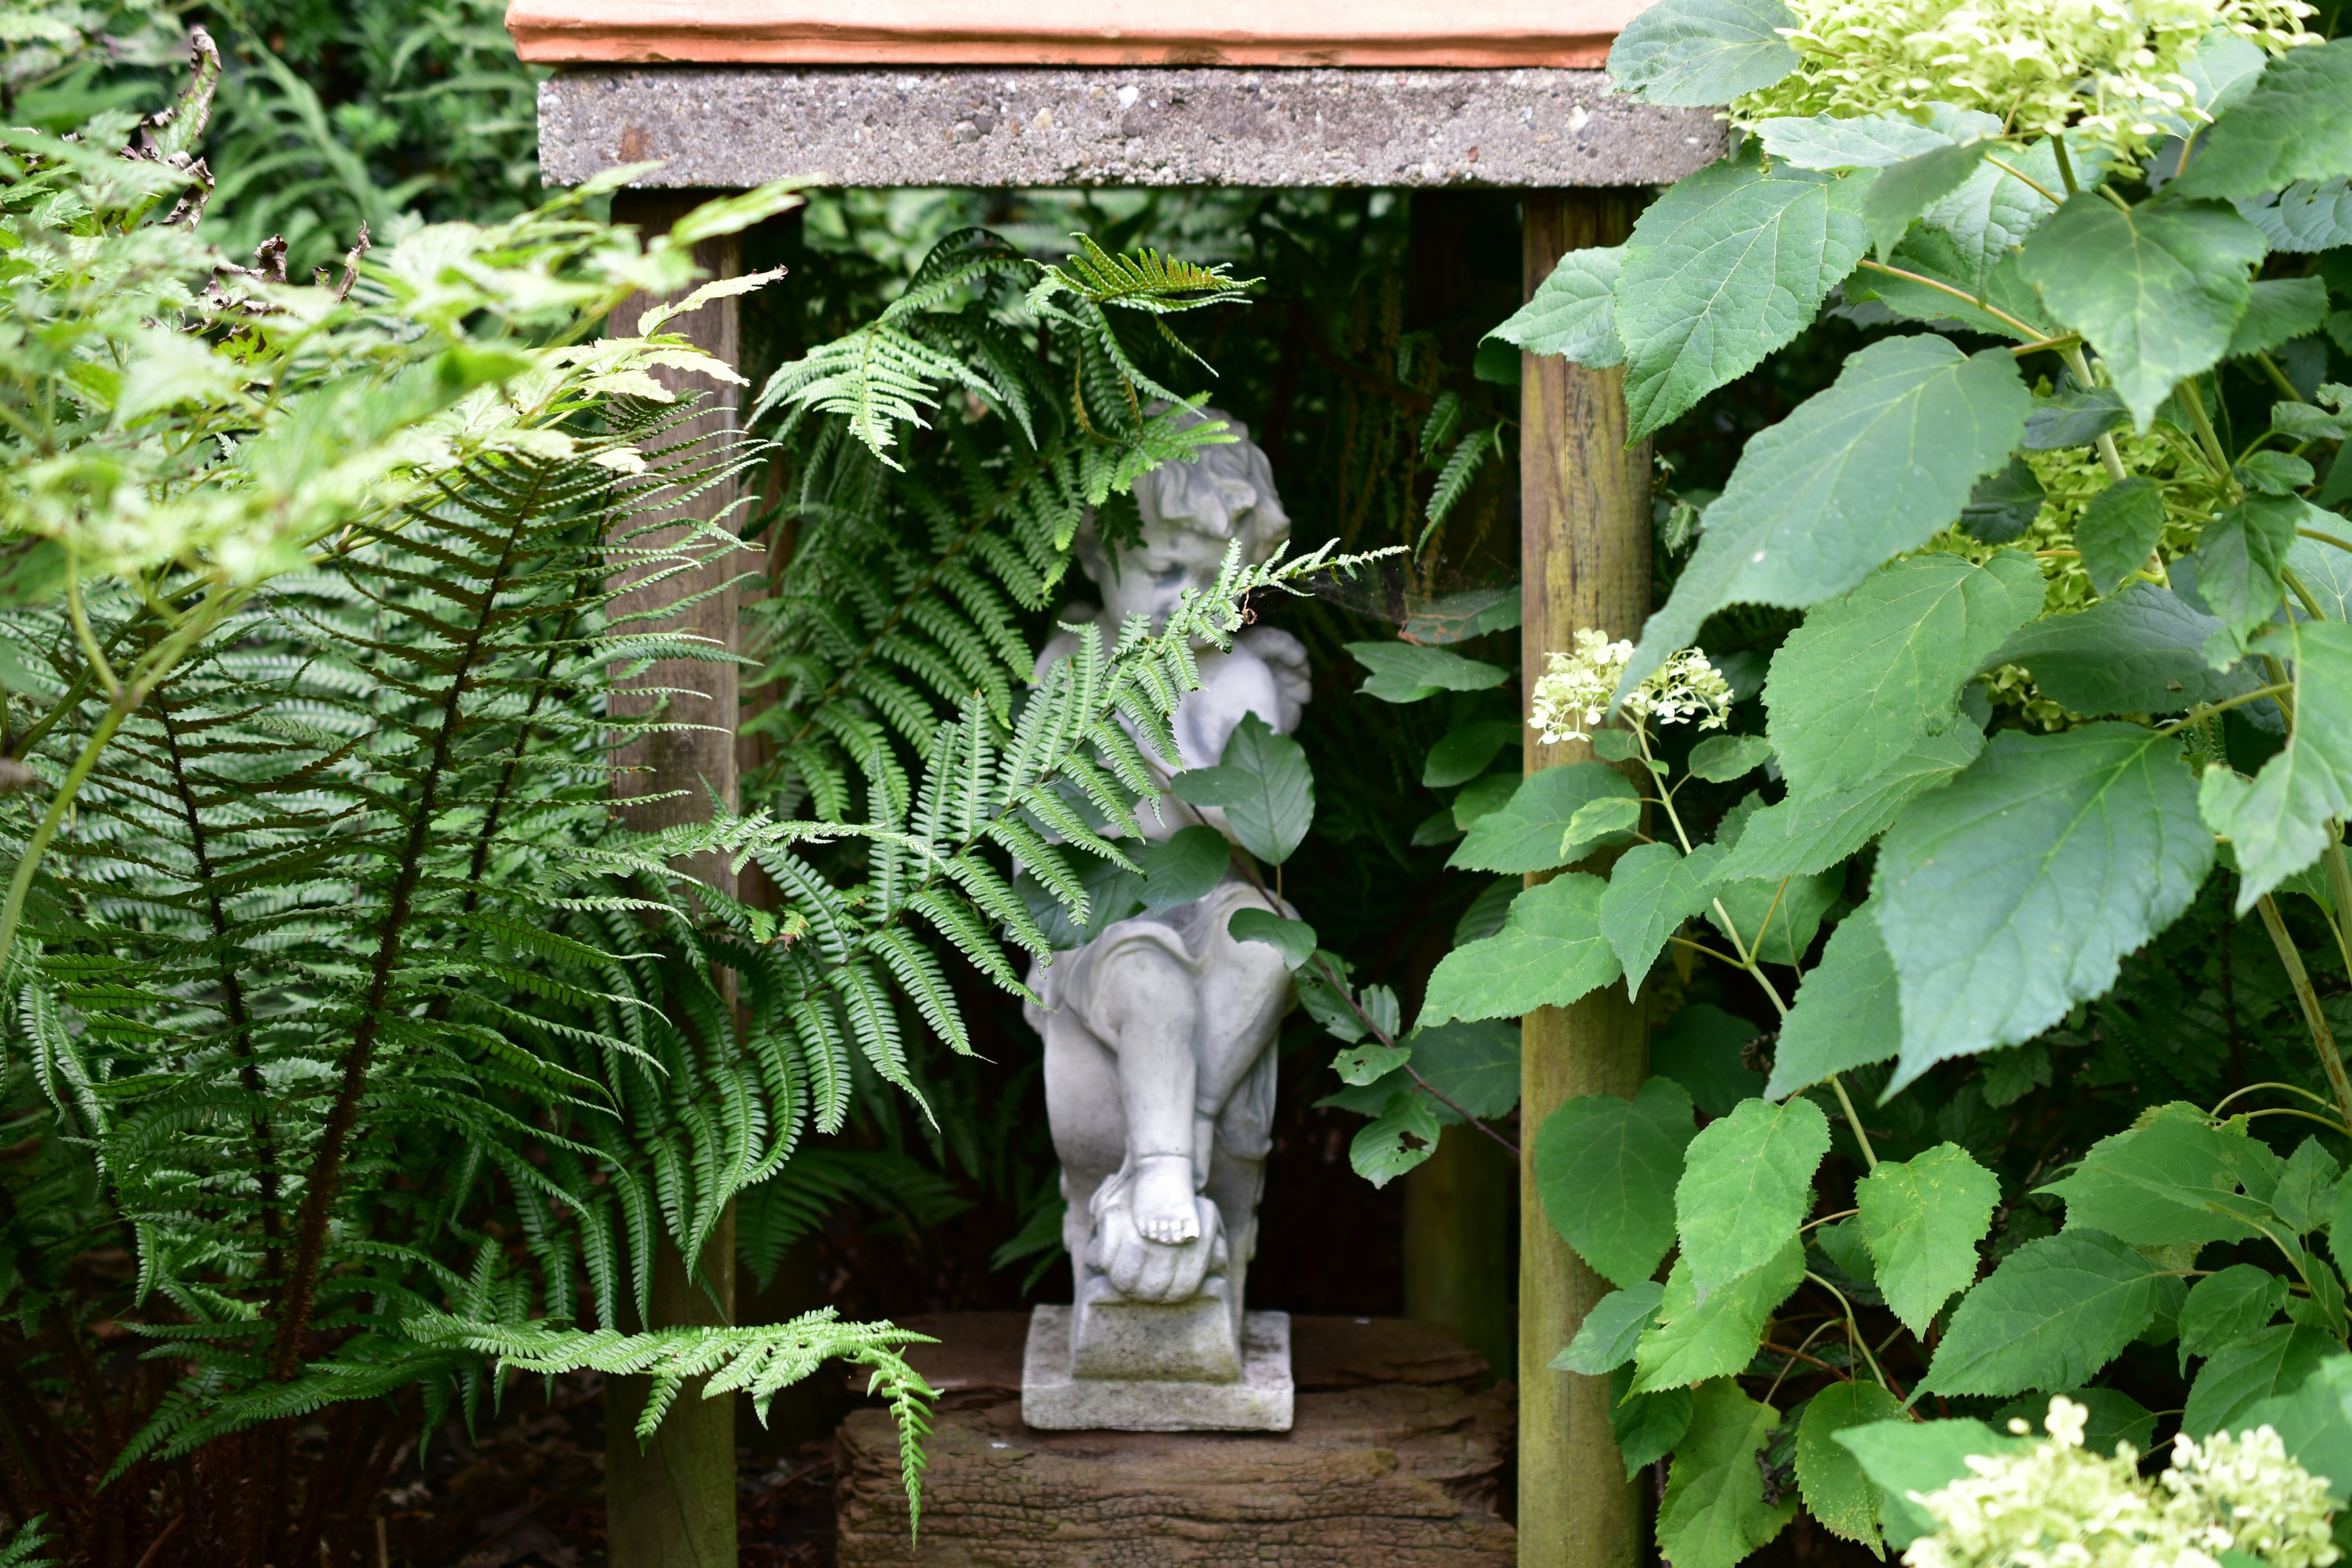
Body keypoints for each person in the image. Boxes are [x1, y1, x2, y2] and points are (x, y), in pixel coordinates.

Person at [1023, 405, 1306, 1314]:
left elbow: (1249, 835)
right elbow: (1040, 821)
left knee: (1274, 948)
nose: (1192, 598)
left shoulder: (1237, 679)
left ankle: (1177, 1131)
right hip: (1107, 917)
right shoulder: (1069, 664)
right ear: (1104, 565)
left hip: (1216, 906)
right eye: (1166, 571)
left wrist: (1186, 744)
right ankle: (1158, 1173)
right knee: (1150, 980)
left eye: (1217, 578)